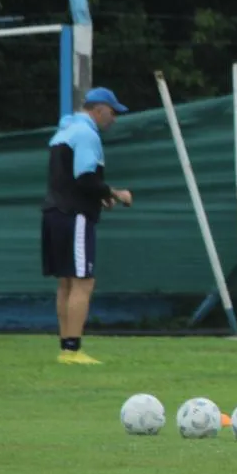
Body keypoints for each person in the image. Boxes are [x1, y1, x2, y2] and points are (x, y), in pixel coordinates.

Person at [41, 87, 133, 365]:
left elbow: (70, 181)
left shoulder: (64, 131)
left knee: (67, 281)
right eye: (112, 112)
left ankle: (66, 347)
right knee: (83, 281)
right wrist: (116, 193)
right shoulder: (87, 134)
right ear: (99, 109)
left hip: (54, 213)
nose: (114, 119)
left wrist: (101, 196)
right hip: (74, 216)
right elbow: (85, 179)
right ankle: (72, 350)